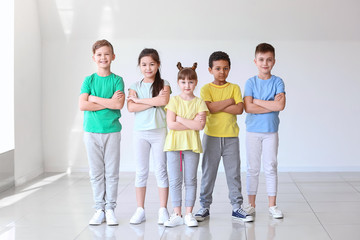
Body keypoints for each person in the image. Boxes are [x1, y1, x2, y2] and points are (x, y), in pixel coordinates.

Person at [195, 51, 254, 222]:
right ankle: (204, 207)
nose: (222, 72)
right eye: (218, 68)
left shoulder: (234, 87)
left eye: (225, 68)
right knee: (208, 172)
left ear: (229, 69)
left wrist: (217, 105)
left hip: (231, 138)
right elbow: (209, 109)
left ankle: (237, 207)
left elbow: (239, 109)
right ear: (210, 69)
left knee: (233, 173)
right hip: (211, 136)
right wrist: (229, 101)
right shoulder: (206, 89)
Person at [79, 39, 125, 226]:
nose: (103, 57)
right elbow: (83, 104)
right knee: (96, 173)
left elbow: (118, 104)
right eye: (99, 55)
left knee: (111, 173)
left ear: (113, 57)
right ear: (93, 58)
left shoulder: (117, 80)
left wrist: (94, 99)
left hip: (112, 132)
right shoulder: (88, 80)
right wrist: (108, 102)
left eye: (106, 54)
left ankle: (110, 209)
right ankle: (99, 208)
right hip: (91, 132)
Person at [127, 48, 171, 225]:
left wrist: (139, 101)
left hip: (159, 131)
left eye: (152, 64)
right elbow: (131, 108)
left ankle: (163, 209)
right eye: (144, 64)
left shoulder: (164, 84)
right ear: (139, 66)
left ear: (158, 65)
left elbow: (163, 101)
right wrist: (150, 102)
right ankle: (140, 210)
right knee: (141, 171)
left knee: (160, 170)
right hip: (140, 133)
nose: (148, 68)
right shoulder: (134, 86)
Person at [243, 43, 286, 219]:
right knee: (252, 168)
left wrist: (257, 101)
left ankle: (272, 205)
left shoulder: (278, 81)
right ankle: (251, 205)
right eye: (261, 59)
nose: (265, 63)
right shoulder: (250, 82)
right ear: (255, 61)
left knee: (270, 167)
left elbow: (280, 105)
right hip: (253, 131)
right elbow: (248, 107)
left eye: (269, 60)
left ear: (274, 61)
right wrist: (270, 104)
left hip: (271, 131)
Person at [163, 62, 208, 227]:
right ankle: (177, 214)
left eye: (190, 82)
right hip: (174, 146)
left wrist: (180, 118)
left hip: (191, 145)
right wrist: (189, 121)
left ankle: (189, 213)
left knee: (190, 180)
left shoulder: (199, 102)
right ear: (178, 83)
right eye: (183, 82)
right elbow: (171, 124)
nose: (187, 85)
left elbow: (200, 126)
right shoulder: (173, 101)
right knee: (175, 180)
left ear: (195, 83)